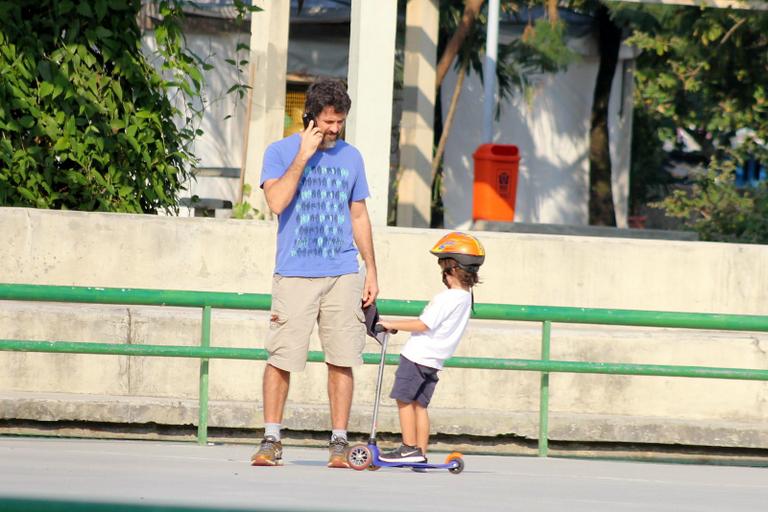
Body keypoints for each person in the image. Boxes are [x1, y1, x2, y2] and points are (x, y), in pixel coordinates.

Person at [250, 78, 379, 468]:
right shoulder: (280, 152)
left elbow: (358, 214)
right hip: (295, 272)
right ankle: (271, 438)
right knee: (282, 358)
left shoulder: (352, 158)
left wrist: (370, 269)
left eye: (339, 122)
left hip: (342, 271)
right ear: (310, 117)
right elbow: (276, 201)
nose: (334, 129)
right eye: (327, 122)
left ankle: (339, 442)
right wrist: (303, 156)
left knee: (342, 358)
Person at [376, 232, 484, 463]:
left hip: (417, 357)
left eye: (443, 269)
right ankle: (420, 453)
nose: (442, 275)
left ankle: (408, 447)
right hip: (434, 362)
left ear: (453, 270)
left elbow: (423, 324)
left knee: (403, 399)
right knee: (420, 405)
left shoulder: (447, 298)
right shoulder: (466, 298)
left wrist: (389, 324)